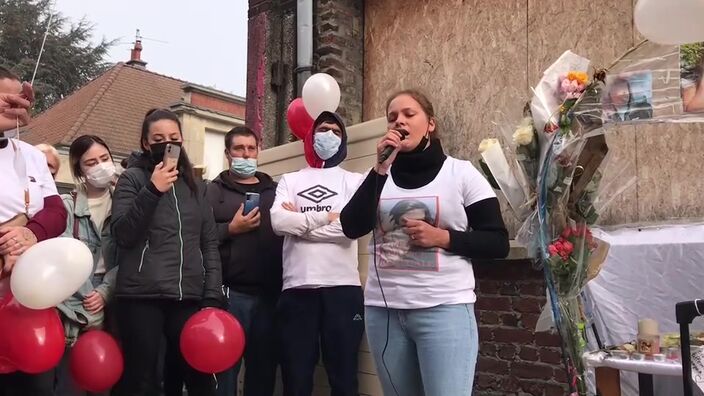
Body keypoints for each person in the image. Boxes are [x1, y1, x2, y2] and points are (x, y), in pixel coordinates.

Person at [340, 89, 510, 395]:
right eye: (392, 118)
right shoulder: (378, 175)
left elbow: (498, 242)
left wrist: (443, 237)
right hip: (385, 313)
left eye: (409, 114)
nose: (399, 122)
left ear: (430, 123)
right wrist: (379, 170)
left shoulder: (461, 173)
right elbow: (351, 227)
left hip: (444, 311)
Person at [111, 108, 222, 396]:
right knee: (142, 381)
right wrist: (153, 189)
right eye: (158, 138)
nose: (167, 143)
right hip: (141, 296)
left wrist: (211, 296)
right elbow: (123, 234)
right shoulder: (132, 179)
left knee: (197, 377)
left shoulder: (195, 186)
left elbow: (209, 243)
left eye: (173, 137)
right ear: (146, 143)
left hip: (187, 297)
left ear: (182, 140)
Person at [270, 111, 364, 396]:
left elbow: (350, 229)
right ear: (311, 136)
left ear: (344, 140)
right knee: (296, 379)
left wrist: (300, 225)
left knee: (344, 378)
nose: (330, 136)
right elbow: (278, 222)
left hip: (343, 290)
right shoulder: (290, 180)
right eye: (324, 129)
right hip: (297, 289)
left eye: (337, 132)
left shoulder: (355, 181)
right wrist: (326, 219)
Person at [0, 67, 68, 396]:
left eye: (21, 99)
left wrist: (30, 232)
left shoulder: (30, 156)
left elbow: (56, 211)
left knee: (36, 384)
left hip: (28, 301)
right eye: (6, 98)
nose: (16, 107)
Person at [207, 126, 283, 396]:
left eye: (251, 149)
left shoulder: (275, 190)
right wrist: (231, 228)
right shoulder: (212, 192)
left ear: (258, 151)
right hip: (229, 296)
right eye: (239, 149)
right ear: (227, 153)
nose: (246, 154)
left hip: (269, 296)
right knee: (225, 370)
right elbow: (197, 239)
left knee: (262, 372)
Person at [53, 135, 118, 396]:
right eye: (91, 162)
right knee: (71, 384)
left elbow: (132, 256)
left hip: (113, 300)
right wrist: (90, 296)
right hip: (74, 305)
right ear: (80, 169)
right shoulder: (66, 205)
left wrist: (105, 292)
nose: (100, 166)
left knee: (105, 380)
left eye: (104, 159)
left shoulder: (126, 203)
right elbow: (65, 256)